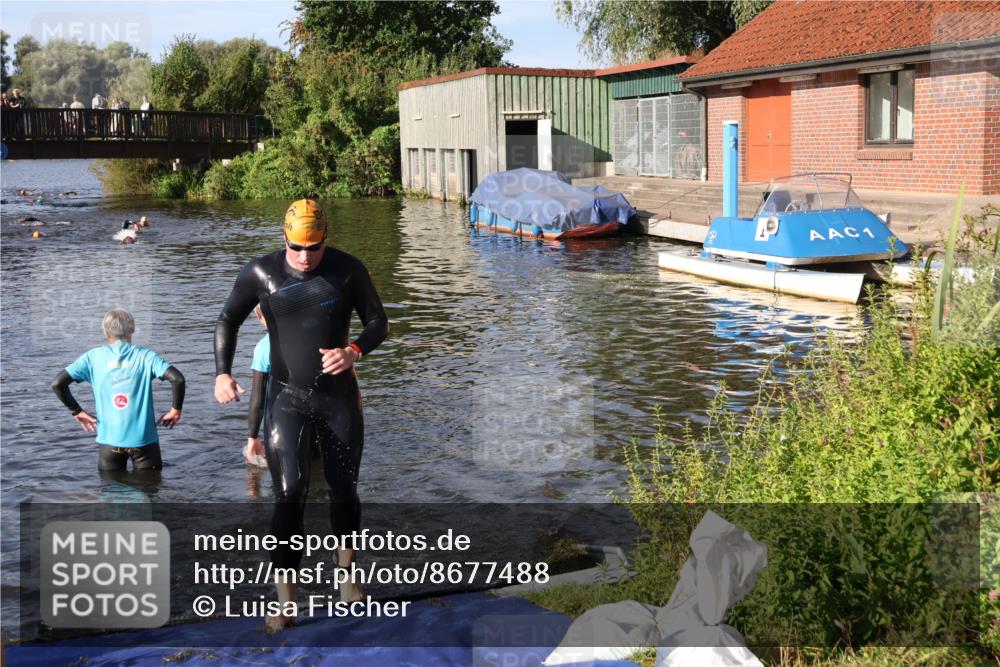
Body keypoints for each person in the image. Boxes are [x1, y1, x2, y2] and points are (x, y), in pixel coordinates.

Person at [214, 199, 388, 631]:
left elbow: (378, 321)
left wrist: (354, 351)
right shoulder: (261, 273)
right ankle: (286, 602)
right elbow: (226, 320)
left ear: (325, 238)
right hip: (286, 399)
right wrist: (222, 374)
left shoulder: (348, 270)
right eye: (297, 248)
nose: (305, 258)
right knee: (290, 491)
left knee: (344, 490)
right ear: (284, 237)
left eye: (313, 248)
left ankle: (349, 584)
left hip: (338, 399)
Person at [51, 309, 185, 472]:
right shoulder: (146, 356)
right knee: (149, 492)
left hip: (110, 442)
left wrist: (76, 411)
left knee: (112, 493)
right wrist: (175, 409)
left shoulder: (92, 358)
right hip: (144, 441)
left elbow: (58, 383)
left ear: (105, 332)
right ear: (132, 330)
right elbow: (177, 379)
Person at [244, 306, 270, 468]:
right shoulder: (314, 336)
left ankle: (254, 489)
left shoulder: (264, 347)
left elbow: (258, 398)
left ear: (258, 315)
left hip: (283, 422)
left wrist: (252, 436)